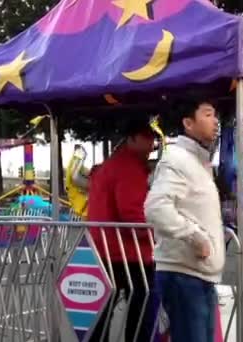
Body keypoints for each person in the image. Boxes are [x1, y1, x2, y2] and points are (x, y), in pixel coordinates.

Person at [145, 99, 225, 342]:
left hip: (199, 275)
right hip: (184, 276)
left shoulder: (199, 162)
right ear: (188, 123)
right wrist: (195, 237)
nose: (215, 121)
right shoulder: (176, 159)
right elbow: (156, 207)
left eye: (215, 115)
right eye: (208, 115)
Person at [88, 118, 156, 342]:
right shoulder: (129, 167)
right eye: (147, 138)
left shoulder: (111, 165)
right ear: (132, 139)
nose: (152, 144)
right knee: (142, 310)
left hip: (105, 249)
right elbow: (132, 214)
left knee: (104, 310)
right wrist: (157, 235)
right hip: (129, 253)